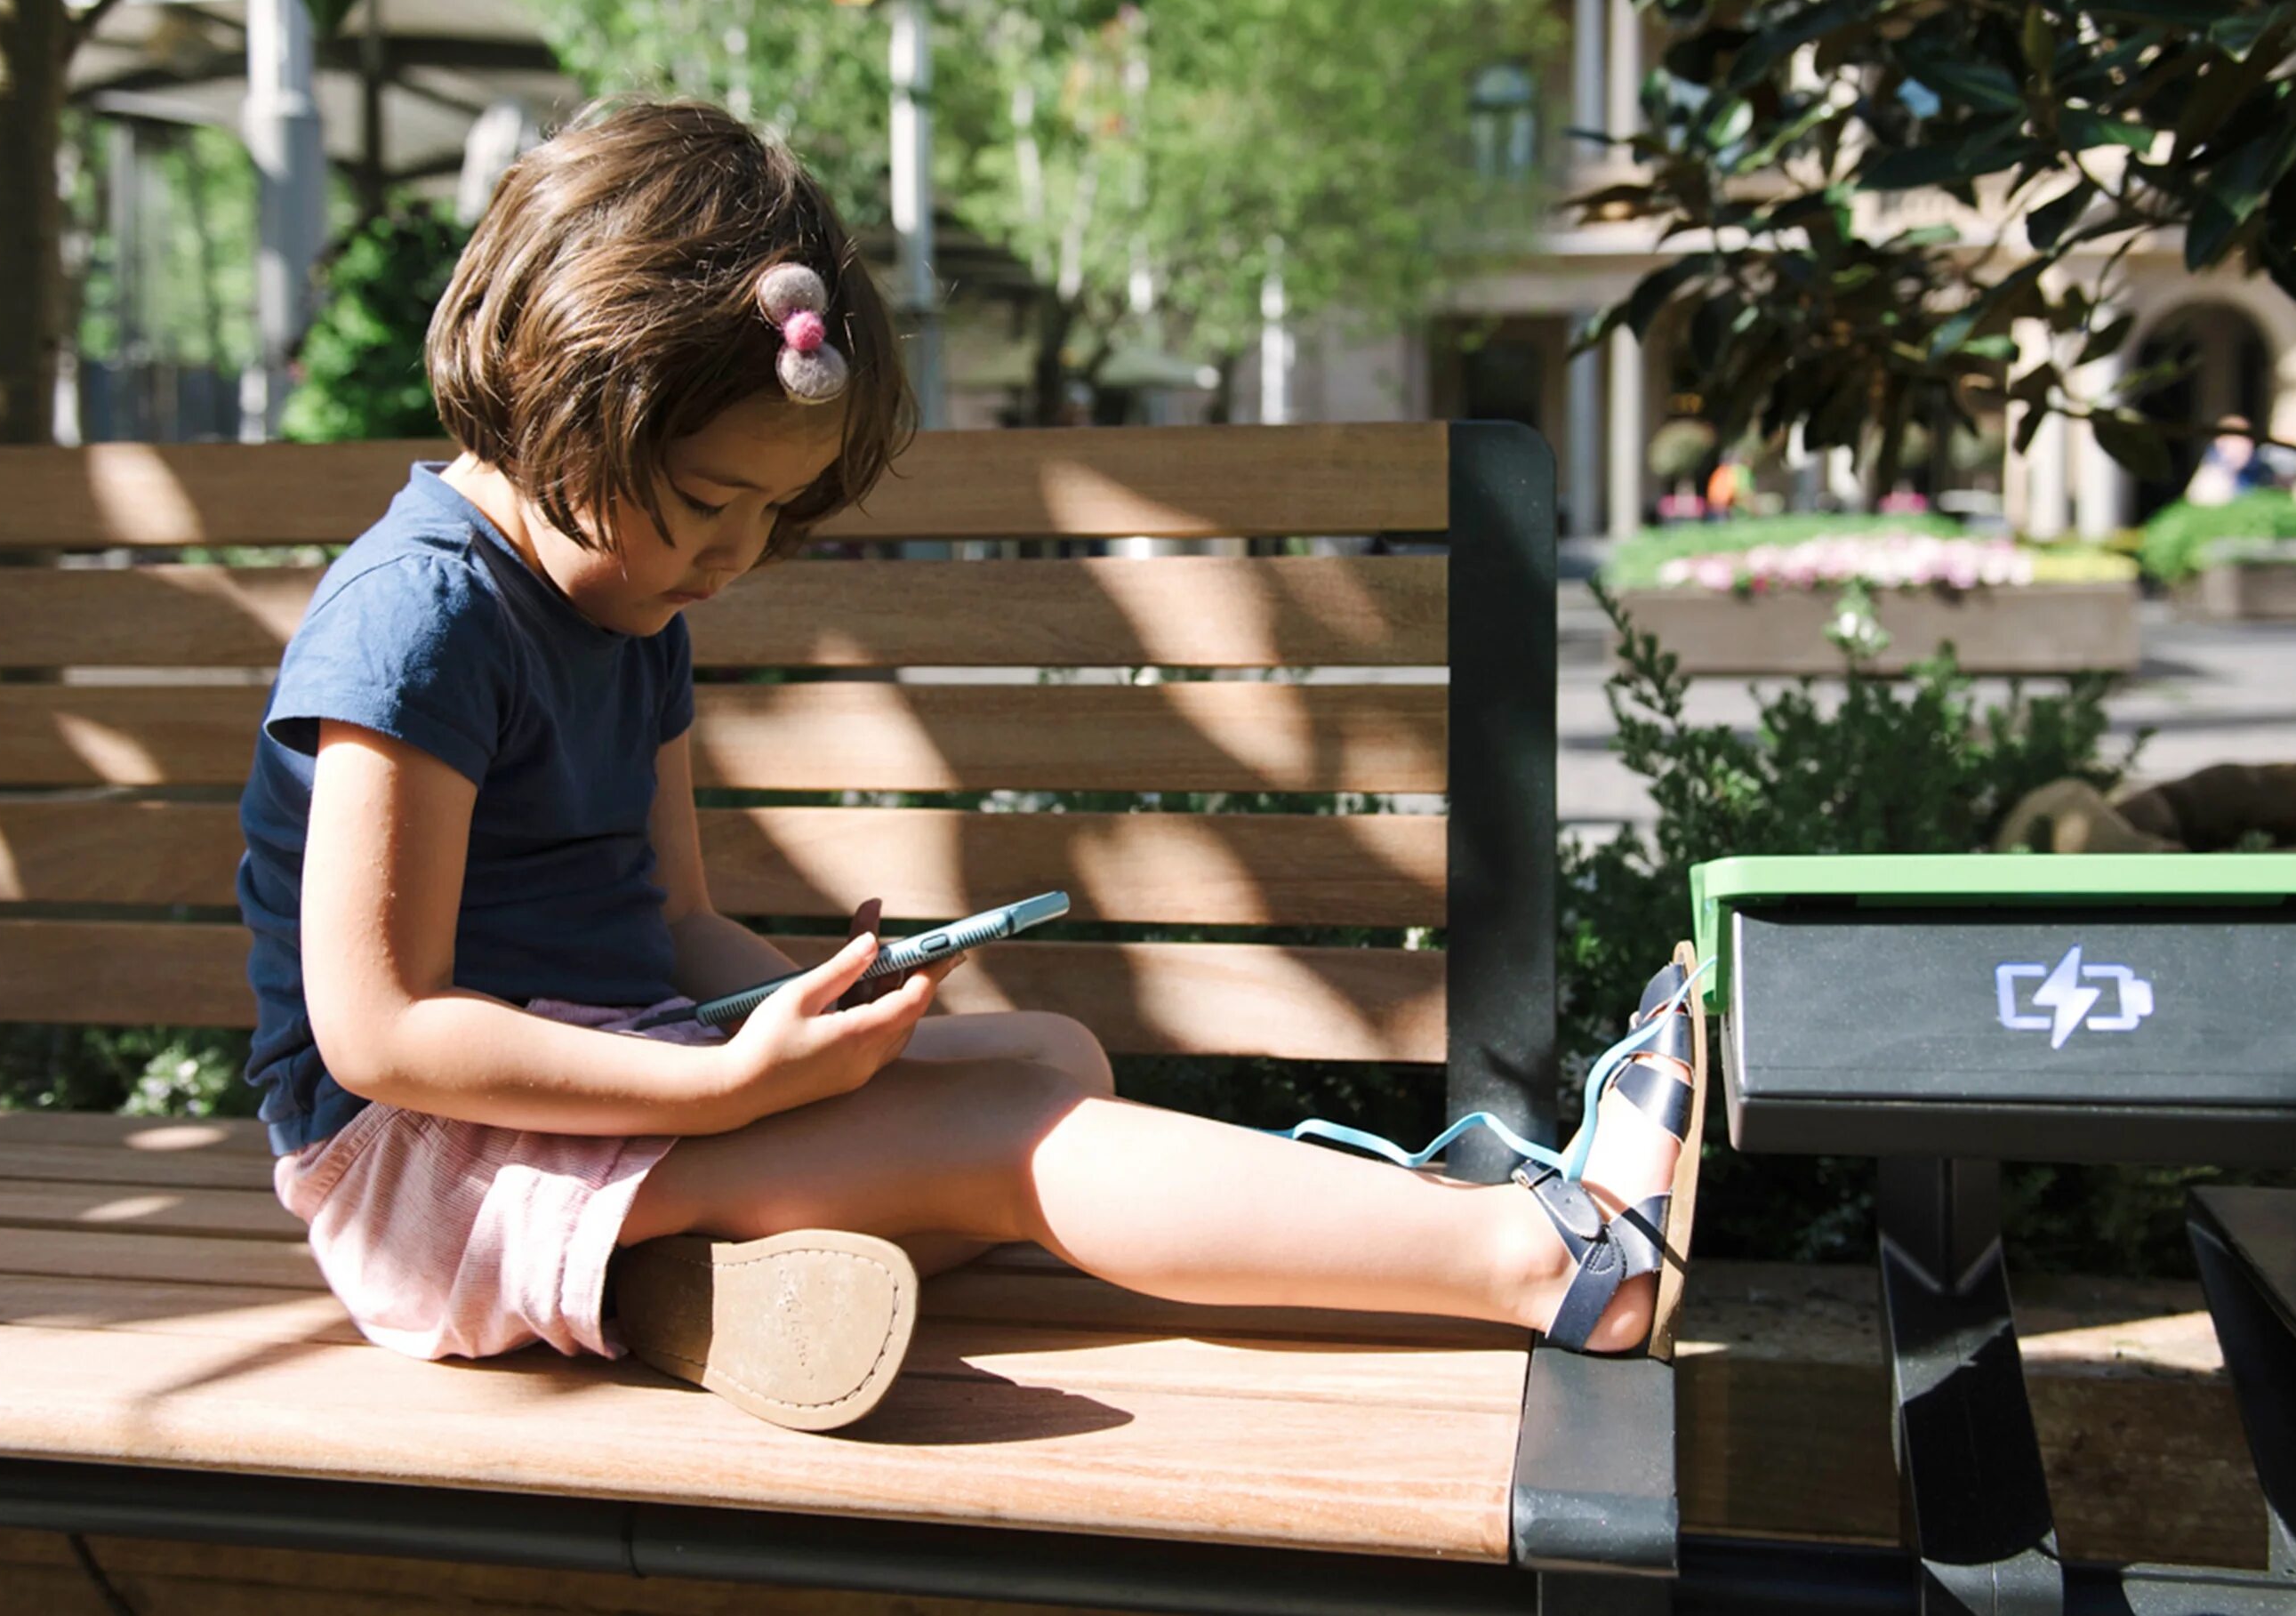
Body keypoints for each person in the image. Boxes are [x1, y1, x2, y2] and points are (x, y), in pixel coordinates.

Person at [237, 97, 1697, 1430]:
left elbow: (671, 925)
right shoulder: (419, 618)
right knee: (1010, 1131)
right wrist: (726, 1089)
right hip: (432, 1171)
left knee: (1052, 1053)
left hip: (605, 1088)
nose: (733, 558)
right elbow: (380, 1030)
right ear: (555, 391)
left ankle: (652, 1285)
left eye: (773, 521)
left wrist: (806, 1008)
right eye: (705, 505)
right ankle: (1556, 1260)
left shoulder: (634, 600)